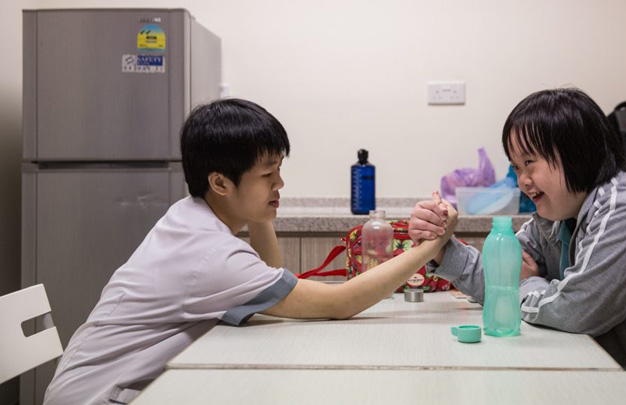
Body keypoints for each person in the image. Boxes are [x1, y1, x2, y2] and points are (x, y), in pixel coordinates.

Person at [44, 98, 457, 405]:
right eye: (267, 174)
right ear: (221, 183)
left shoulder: (192, 218)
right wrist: (434, 243)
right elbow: (340, 302)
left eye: (279, 170)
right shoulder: (209, 256)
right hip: (101, 398)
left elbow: (269, 278)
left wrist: (261, 206)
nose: (280, 183)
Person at [409, 88, 626, 404]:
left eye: (530, 163)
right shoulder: (556, 214)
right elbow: (503, 277)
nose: (522, 181)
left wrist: (526, 283)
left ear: (576, 153)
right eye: (516, 167)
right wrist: (443, 247)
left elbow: (575, 311)